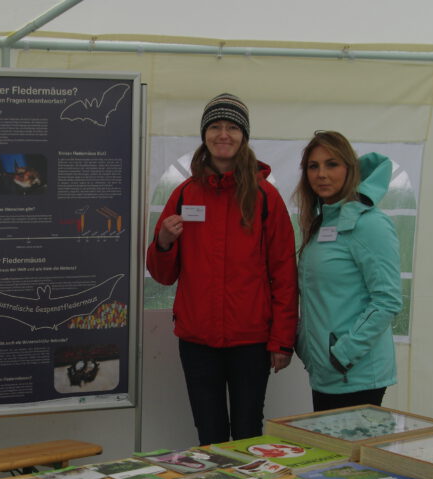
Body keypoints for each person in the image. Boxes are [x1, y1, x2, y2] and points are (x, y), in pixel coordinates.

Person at [146, 93, 297, 446]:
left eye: (232, 127)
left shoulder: (265, 198)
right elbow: (163, 274)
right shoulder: (184, 194)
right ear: (204, 134)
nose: (223, 134)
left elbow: (284, 273)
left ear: (244, 136)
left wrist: (282, 341)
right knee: (210, 435)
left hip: (251, 341)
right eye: (215, 126)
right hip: (198, 341)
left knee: (247, 433)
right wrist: (164, 241)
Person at [294, 130, 402, 411]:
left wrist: (343, 353)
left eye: (332, 164)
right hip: (326, 373)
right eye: (313, 166)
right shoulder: (320, 225)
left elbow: (387, 299)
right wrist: (307, 348)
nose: (321, 174)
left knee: (348, 455)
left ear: (350, 169)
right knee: (331, 454)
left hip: (357, 373)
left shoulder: (370, 224)